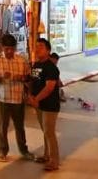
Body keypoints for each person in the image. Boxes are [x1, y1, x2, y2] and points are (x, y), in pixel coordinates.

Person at [0, 34, 33, 163]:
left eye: (12, 49)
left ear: (15, 47)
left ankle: (24, 150)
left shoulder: (22, 60)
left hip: (18, 99)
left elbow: (29, 78)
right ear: (2, 47)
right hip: (3, 99)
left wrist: (23, 79)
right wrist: (0, 76)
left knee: (20, 126)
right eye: (7, 49)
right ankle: (2, 151)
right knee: (3, 126)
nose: (9, 51)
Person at [28, 38, 61, 171]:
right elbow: (32, 81)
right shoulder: (36, 65)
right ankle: (47, 155)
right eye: (36, 46)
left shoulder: (51, 67)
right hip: (39, 104)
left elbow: (50, 87)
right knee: (45, 131)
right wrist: (31, 95)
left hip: (50, 105)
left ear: (48, 50)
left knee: (49, 132)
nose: (37, 49)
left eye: (41, 46)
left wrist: (36, 99)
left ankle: (54, 160)